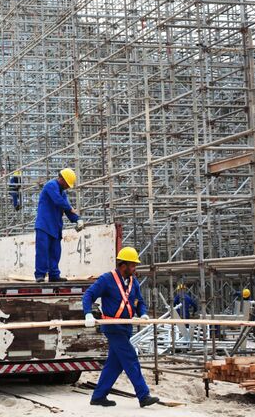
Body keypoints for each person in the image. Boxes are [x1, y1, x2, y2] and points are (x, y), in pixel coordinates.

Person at [82, 247, 160, 408]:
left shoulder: (133, 282)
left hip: (126, 327)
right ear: (122, 265)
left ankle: (98, 396)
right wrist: (88, 313)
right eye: (132, 265)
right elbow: (88, 295)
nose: (134, 268)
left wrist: (143, 313)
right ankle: (143, 395)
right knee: (130, 357)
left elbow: (140, 301)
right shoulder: (106, 279)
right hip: (112, 327)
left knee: (115, 364)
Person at [33, 168, 82, 282]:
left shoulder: (62, 193)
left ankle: (54, 275)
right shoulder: (51, 186)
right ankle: (40, 275)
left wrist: (78, 219)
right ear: (61, 179)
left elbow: (66, 208)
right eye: (67, 184)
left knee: (55, 252)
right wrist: (70, 208)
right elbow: (58, 201)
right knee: (42, 251)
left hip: (55, 227)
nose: (68, 187)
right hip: (44, 225)